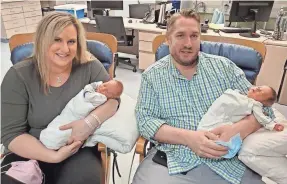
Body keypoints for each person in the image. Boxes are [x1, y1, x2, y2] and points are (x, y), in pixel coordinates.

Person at [133, 10, 275, 184]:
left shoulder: (225, 68)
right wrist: (189, 138)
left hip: (229, 163)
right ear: (168, 39)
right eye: (180, 36)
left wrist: (239, 129)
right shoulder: (152, 77)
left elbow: (266, 107)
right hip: (174, 162)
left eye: (194, 36)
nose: (188, 43)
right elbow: (145, 121)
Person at [1, 12, 119, 184]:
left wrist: (89, 123)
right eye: (57, 40)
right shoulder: (19, 75)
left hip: (77, 149)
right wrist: (53, 156)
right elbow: (11, 134)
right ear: (43, 40)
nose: (65, 49)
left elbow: (114, 100)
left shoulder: (90, 67)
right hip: (28, 149)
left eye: (71, 41)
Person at [40, 80, 123, 150]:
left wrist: (89, 123)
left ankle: (51, 142)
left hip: (75, 116)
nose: (103, 88)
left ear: (111, 96)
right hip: (69, 112)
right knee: (58, 123)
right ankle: (48, 139)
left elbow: (88, 95)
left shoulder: (100, 98)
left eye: (107, 91)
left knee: (63, 131)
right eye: (104, 85)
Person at [197, 85, 285, 132]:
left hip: (223, 120)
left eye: (260, 92)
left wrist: (273, 125)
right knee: (206, 123)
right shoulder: (238, 94)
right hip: (214, 112)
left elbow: (261, 117)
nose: (256, 89)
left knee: (213, 130)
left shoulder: (255, 104)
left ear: (262, 102)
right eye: (258, 87)